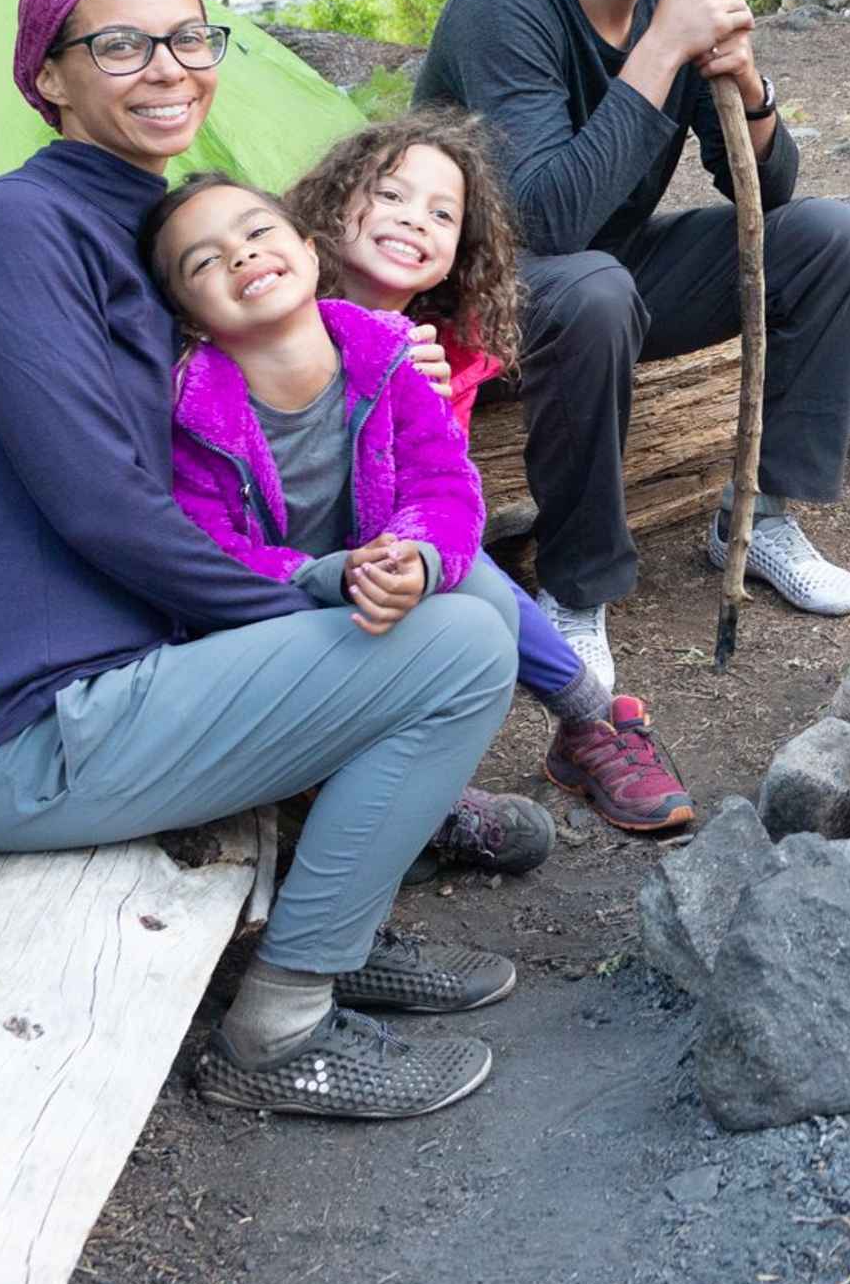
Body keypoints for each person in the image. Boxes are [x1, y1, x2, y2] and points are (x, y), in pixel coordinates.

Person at [0, 0, 521, 1125]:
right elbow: (100, 505)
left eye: (187, 37)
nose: (167, 68)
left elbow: (249, 420)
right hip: (19, 723)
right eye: (117, 44)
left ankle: (343, 916)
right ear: (49, 78)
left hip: (128, 665)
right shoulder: (15, 229)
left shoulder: (142, 226)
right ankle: (280, 1029)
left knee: (465, 592)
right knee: (458, 650)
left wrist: (364, 384)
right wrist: (315, 597)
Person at [416, 0, 850, 679]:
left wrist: (750, 88)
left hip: (610, 271)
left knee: (831, 240)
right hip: (484, 291)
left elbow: (767, 194)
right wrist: (662, 49)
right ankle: (578, 587)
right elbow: (542, 220)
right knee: (592, 286)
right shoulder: (504, 3)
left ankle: (757, 515)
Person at [279, 114, 697, 834]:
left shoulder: (438, 355)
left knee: (458, 568)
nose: (415, 221)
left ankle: (586, 726)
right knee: (459, 576)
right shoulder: (277, 314)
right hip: (284, 568)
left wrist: (425, 415)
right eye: (390, 195)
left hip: (387, 576)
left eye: (442, 214)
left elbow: (433, 503)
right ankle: (574, 721)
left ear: (457, 256)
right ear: (334, 203)